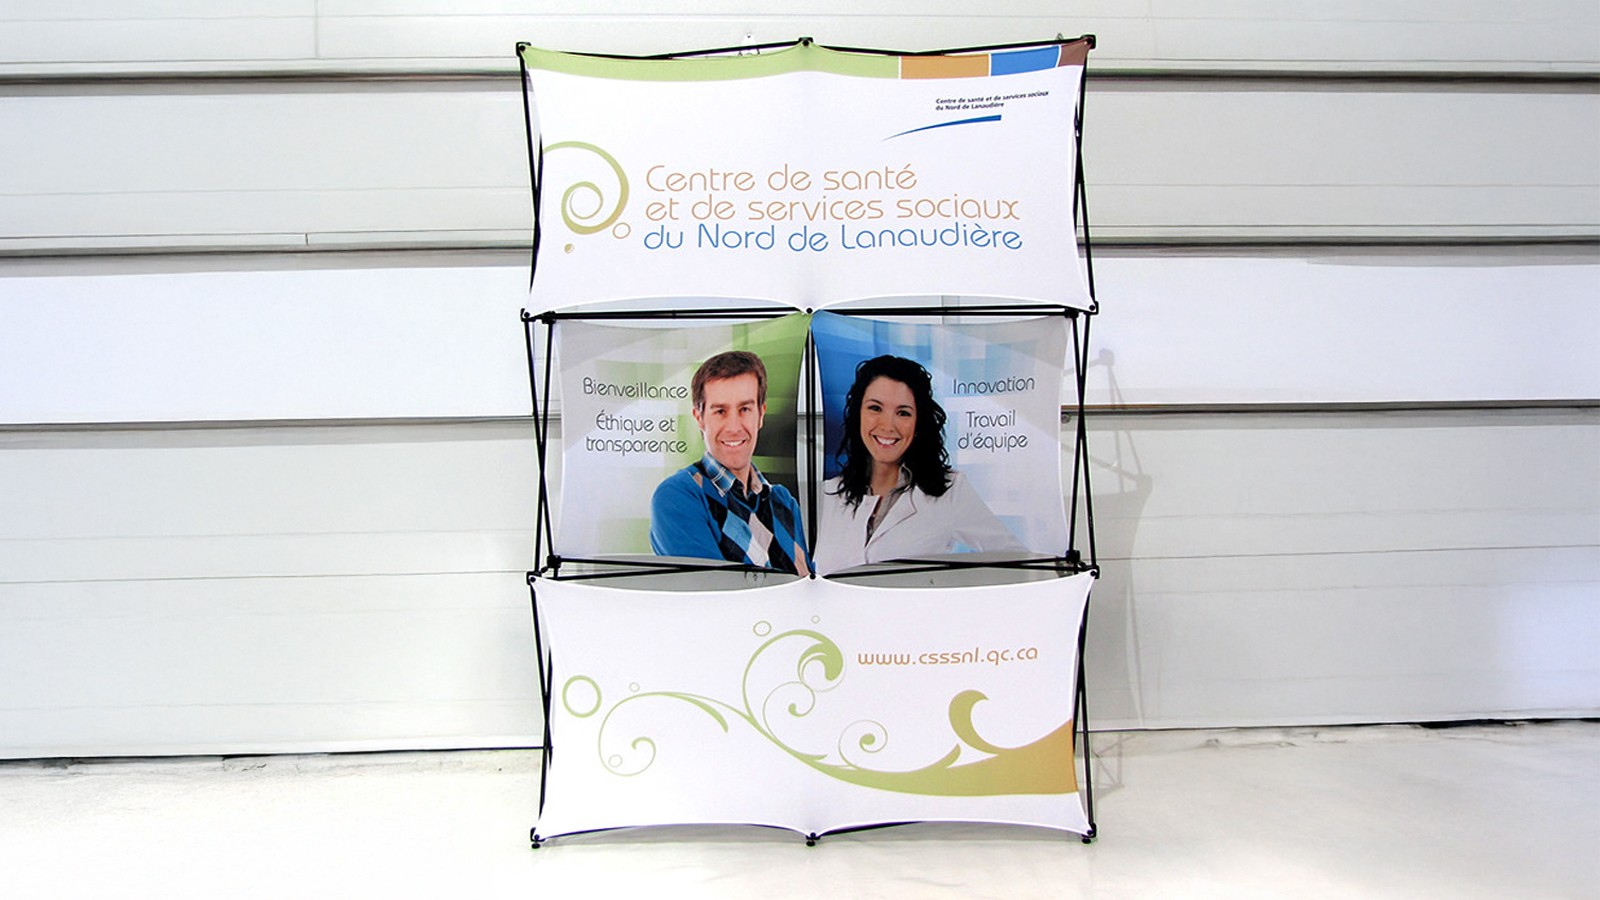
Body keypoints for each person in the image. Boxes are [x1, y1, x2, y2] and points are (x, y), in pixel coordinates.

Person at [812, 355, 1023, 574]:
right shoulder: (825, 495)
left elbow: (1016, 561)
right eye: (875, 408)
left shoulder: (951, 491)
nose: (887, 425)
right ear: (858, 414)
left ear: (918, 422)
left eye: (903, 413)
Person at [650, 350, 810, 574]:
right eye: (720, 411)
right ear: (699, 418)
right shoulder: (678, 496)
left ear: (761, 415)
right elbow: (710, 588)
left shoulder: (783, 502)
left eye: (744, 409)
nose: (734, 427)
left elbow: (808, 584)